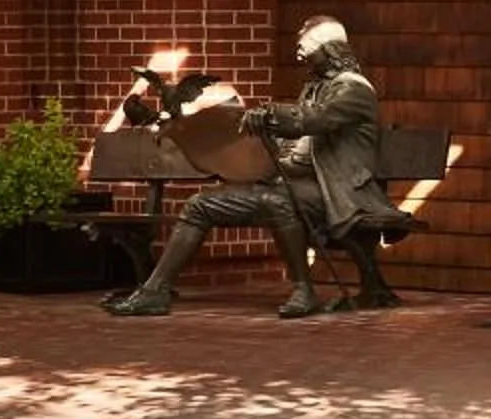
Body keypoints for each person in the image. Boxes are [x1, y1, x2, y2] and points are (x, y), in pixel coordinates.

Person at [106, 16, 413, 320]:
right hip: (294, 185)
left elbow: (316, 119)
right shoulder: (316, 88)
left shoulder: (353, 90)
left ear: (331, 51)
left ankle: (303, 290)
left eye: (307, 51)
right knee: (200, 204)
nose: (299, 57)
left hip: (341, 192)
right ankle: (154, 292)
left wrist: (270, 115)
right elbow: (298, 134)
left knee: (277, 201)